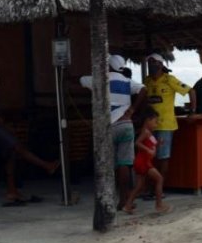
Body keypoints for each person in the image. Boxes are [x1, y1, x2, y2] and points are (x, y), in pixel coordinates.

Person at [0, 62, 59, 205]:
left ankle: (12, 191)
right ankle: (46, 166)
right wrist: (6, 127)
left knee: (11, 155)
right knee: (18, 147)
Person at [81, 54, 145, 209]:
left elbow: (81, 80)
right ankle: (124, 199)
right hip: (126, 124)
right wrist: (132, 109)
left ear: (108, 66)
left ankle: (107, 199)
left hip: (108, 127)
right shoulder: (127, 81)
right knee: (124, 164)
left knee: (108, 165)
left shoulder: (101, 79)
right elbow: (144, 89)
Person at [142, 53, 195, 187]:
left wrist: (192, 112)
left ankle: (160, 188)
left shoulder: (169, 79)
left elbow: (191, 91)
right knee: (148, 156)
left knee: (163, 157)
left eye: (154, 62)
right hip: (149, 126)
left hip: (165, 125)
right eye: (149, 63)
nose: (151, 65)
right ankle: (150, 187)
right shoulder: (147, 81)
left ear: (160, 64)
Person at [122, 112, 170, 214]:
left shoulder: (149, 133)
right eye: (155, 122)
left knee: (139, 185)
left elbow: (151, 145)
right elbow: (137, 143)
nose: (156, 125)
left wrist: (158, 144)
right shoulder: (145, 132)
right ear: (148, 120)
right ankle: (159, 205)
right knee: (159, 179)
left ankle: (128, 205)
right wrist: (148, 150)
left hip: (144, 161)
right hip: (143, 162)